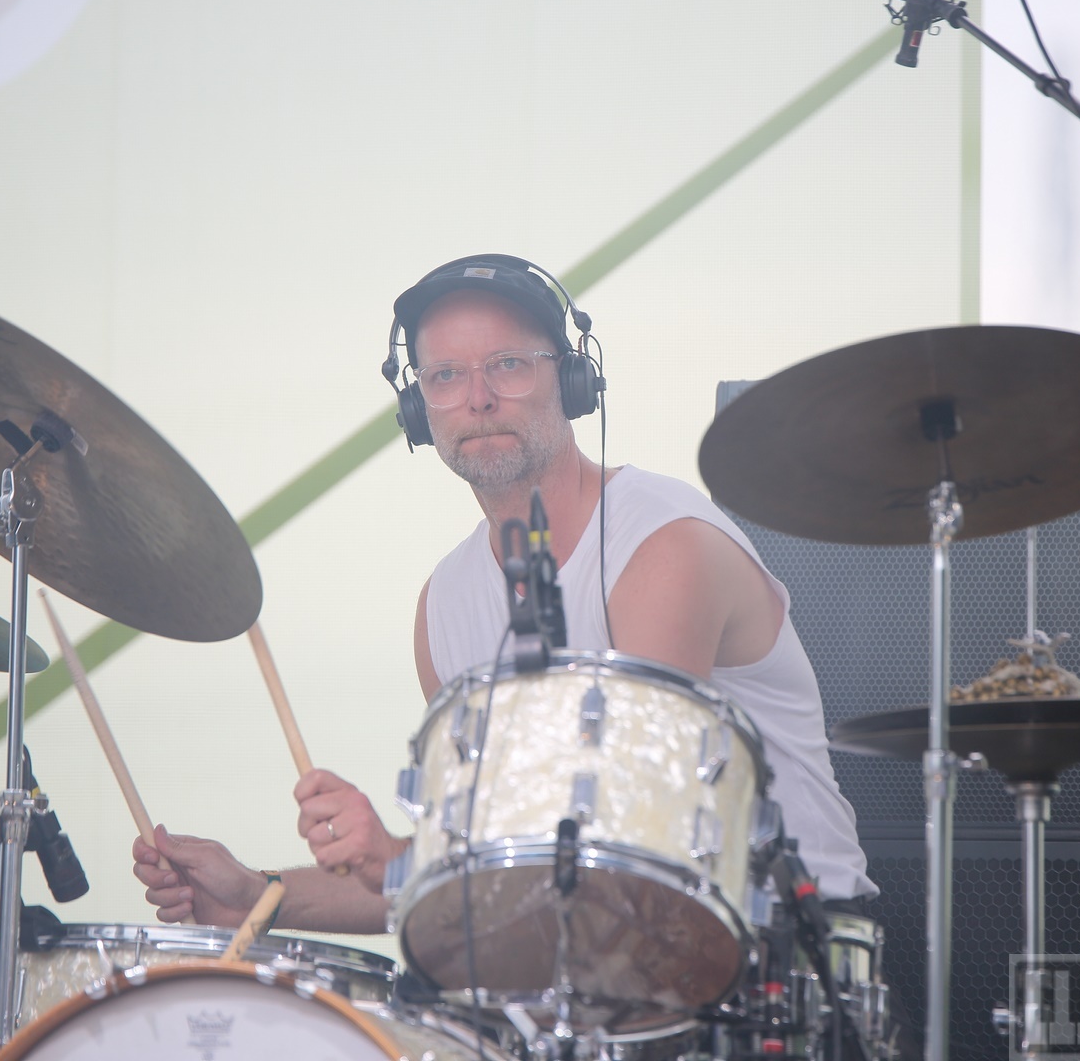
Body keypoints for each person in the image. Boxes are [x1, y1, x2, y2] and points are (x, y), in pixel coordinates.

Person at [133, 254, 875, 932]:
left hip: (785, 955)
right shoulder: (444, 605)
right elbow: (480, 872)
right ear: (418, 408)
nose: (479, 399)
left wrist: (399, 859)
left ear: (573, 382)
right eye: (445, 376)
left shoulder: (664, 544)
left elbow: (631, 841)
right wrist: (256, 897)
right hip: (594, 963)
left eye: (508, 365)